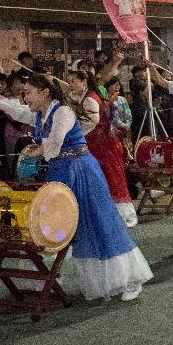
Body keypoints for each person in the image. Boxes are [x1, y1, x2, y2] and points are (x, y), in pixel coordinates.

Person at [0, 72, 153, 301]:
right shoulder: (40, 115)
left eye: (28, 92)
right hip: (60, 171)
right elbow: (4, 105)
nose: (24, 98)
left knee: (99, 222)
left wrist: (36, 150)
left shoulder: (63, 111)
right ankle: (67, 277)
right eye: (23, 93)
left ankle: (129, 279)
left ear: (44, 93)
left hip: (82, 171)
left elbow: (56, 140)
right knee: (64, 225)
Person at [68, 70, 137, 228]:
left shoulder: (91, 99)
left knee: (113, 180)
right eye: (69, 82)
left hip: (104, 146)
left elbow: (90, 124)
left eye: (73, 81)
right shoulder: (81, 96)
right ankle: (103, 215)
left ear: (84, 82)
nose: (70, 85)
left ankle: (124, 216)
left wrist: (71, 133)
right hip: (95, 145)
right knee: (98, 180)